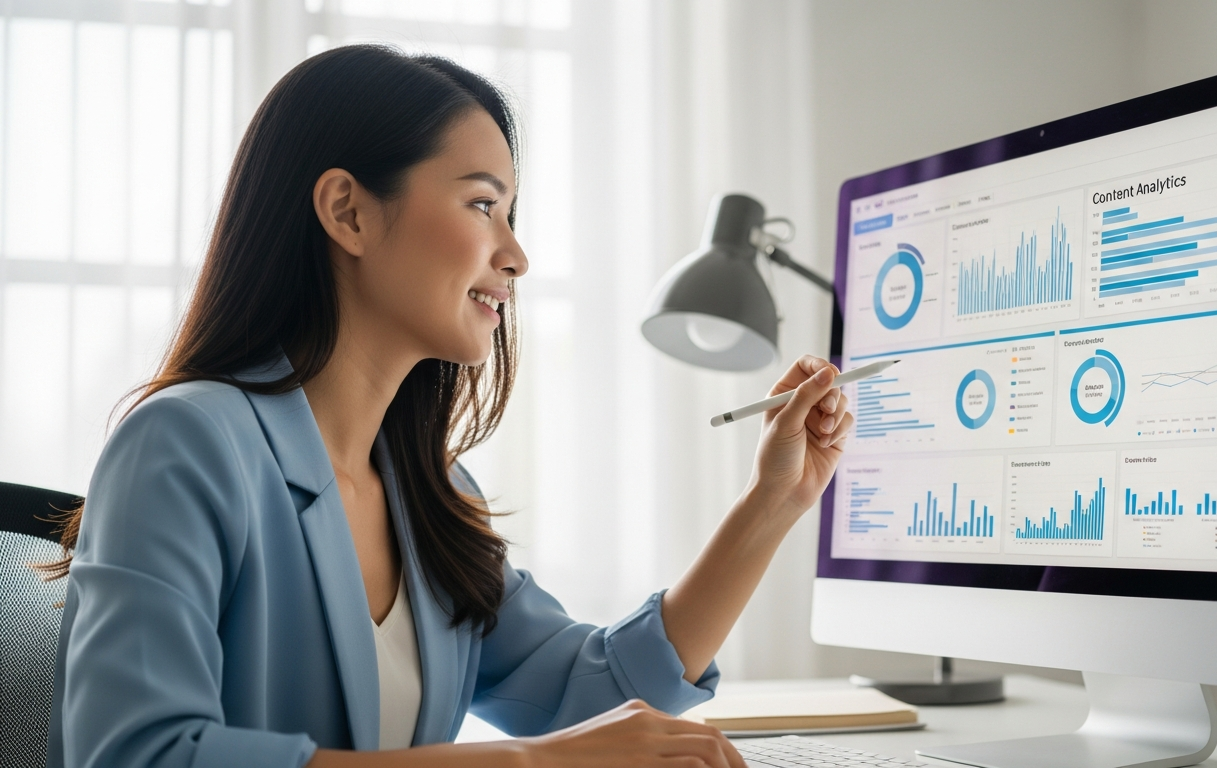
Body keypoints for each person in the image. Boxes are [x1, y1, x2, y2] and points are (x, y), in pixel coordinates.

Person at [41, 44, 853, 768]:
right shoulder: (185, 444)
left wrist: (773, 503)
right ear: (348, 212)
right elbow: (138, 752)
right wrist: (528, 767)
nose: (517, 254)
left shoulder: (432, 492)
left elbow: (592, 692)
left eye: (512, 215)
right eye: (481, 205)